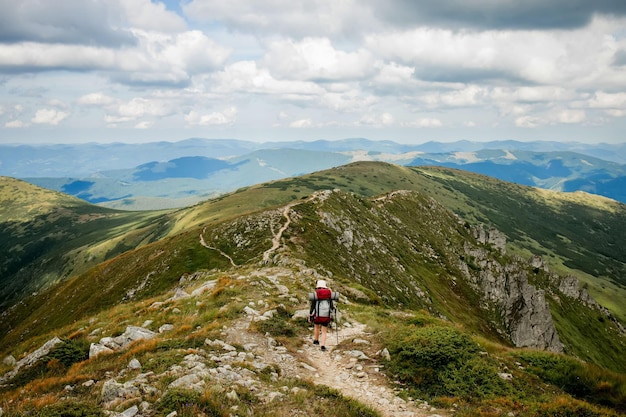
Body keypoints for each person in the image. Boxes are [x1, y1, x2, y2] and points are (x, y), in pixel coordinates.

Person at [309, 279, 333, 351]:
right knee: (324, 330)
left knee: (316, 327)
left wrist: (310, 315)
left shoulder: (316, 294)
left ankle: (316, 340)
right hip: (326, 315)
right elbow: (331, 306)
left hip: (317, 315)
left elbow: (312, 306)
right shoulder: (329, 294)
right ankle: (323, 345)